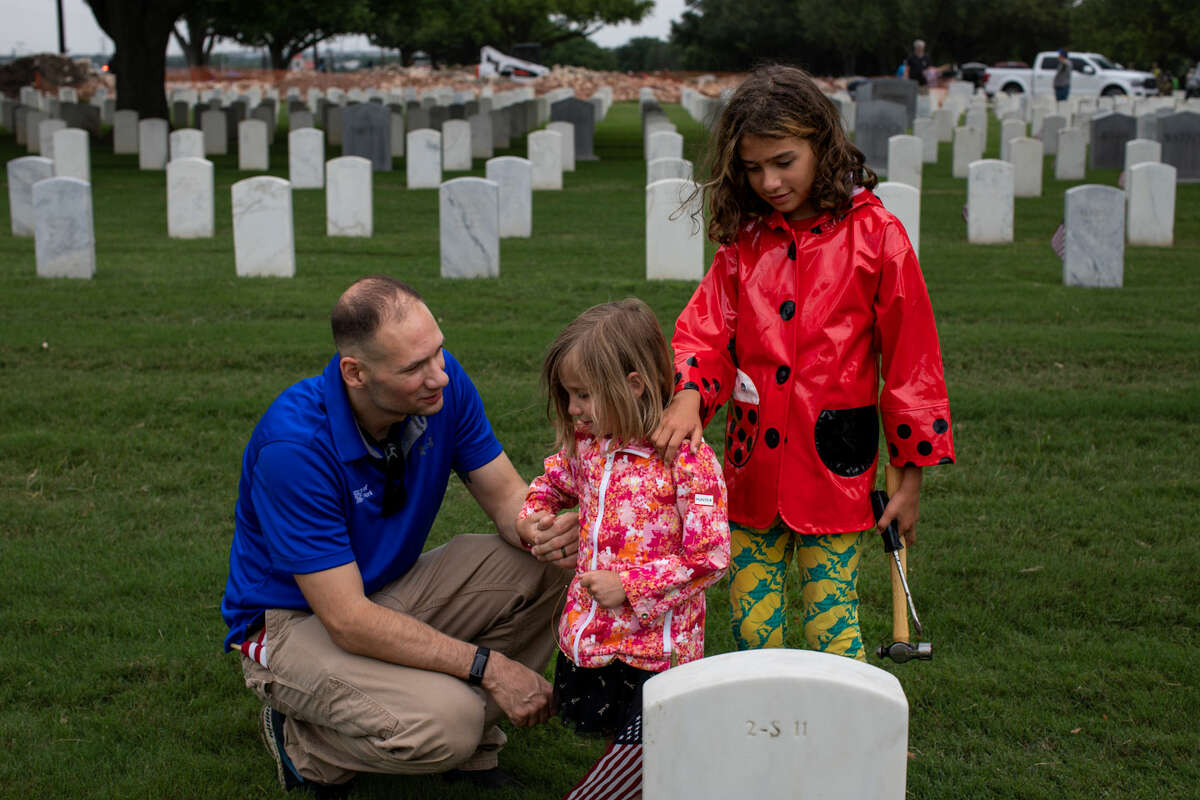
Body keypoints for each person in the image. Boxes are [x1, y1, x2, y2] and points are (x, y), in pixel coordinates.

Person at [221, 275, 579, 796]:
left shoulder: (440, 387)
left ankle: (461, 729)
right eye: (414, 368)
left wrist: (541, 529)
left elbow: (506, 496)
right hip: (292, 623)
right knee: (448, 723)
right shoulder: (294, 448)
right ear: (355, 372)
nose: (440, 376)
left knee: (548, 561)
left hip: (378, 593)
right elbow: (347, 621)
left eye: (438, 352)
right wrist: (489, 668)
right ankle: (307, 745)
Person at [654, 65, 955, 661]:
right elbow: (704, 336)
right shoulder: (743, 244)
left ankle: (843, 745)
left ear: (822, 144)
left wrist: (912, 478)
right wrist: (689, 393)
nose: (768, 181)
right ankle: (757, 739)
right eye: (752, 167)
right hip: (752, 473)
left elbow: (912, 363)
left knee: (832, 629)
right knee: (750, 633)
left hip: (834, 472)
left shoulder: (877, 237)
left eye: (784, 161)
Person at [518, 298, 730, 744]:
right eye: (568, 395)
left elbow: (711, 555)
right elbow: (551, 482)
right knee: (618, 750)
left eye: (584, 394)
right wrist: (533, 518)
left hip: (657, 651)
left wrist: (629, 586)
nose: (574, 409)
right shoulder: (591, 446)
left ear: (632, 384)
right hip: (594, 637)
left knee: (655, 753)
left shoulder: (685, 459)